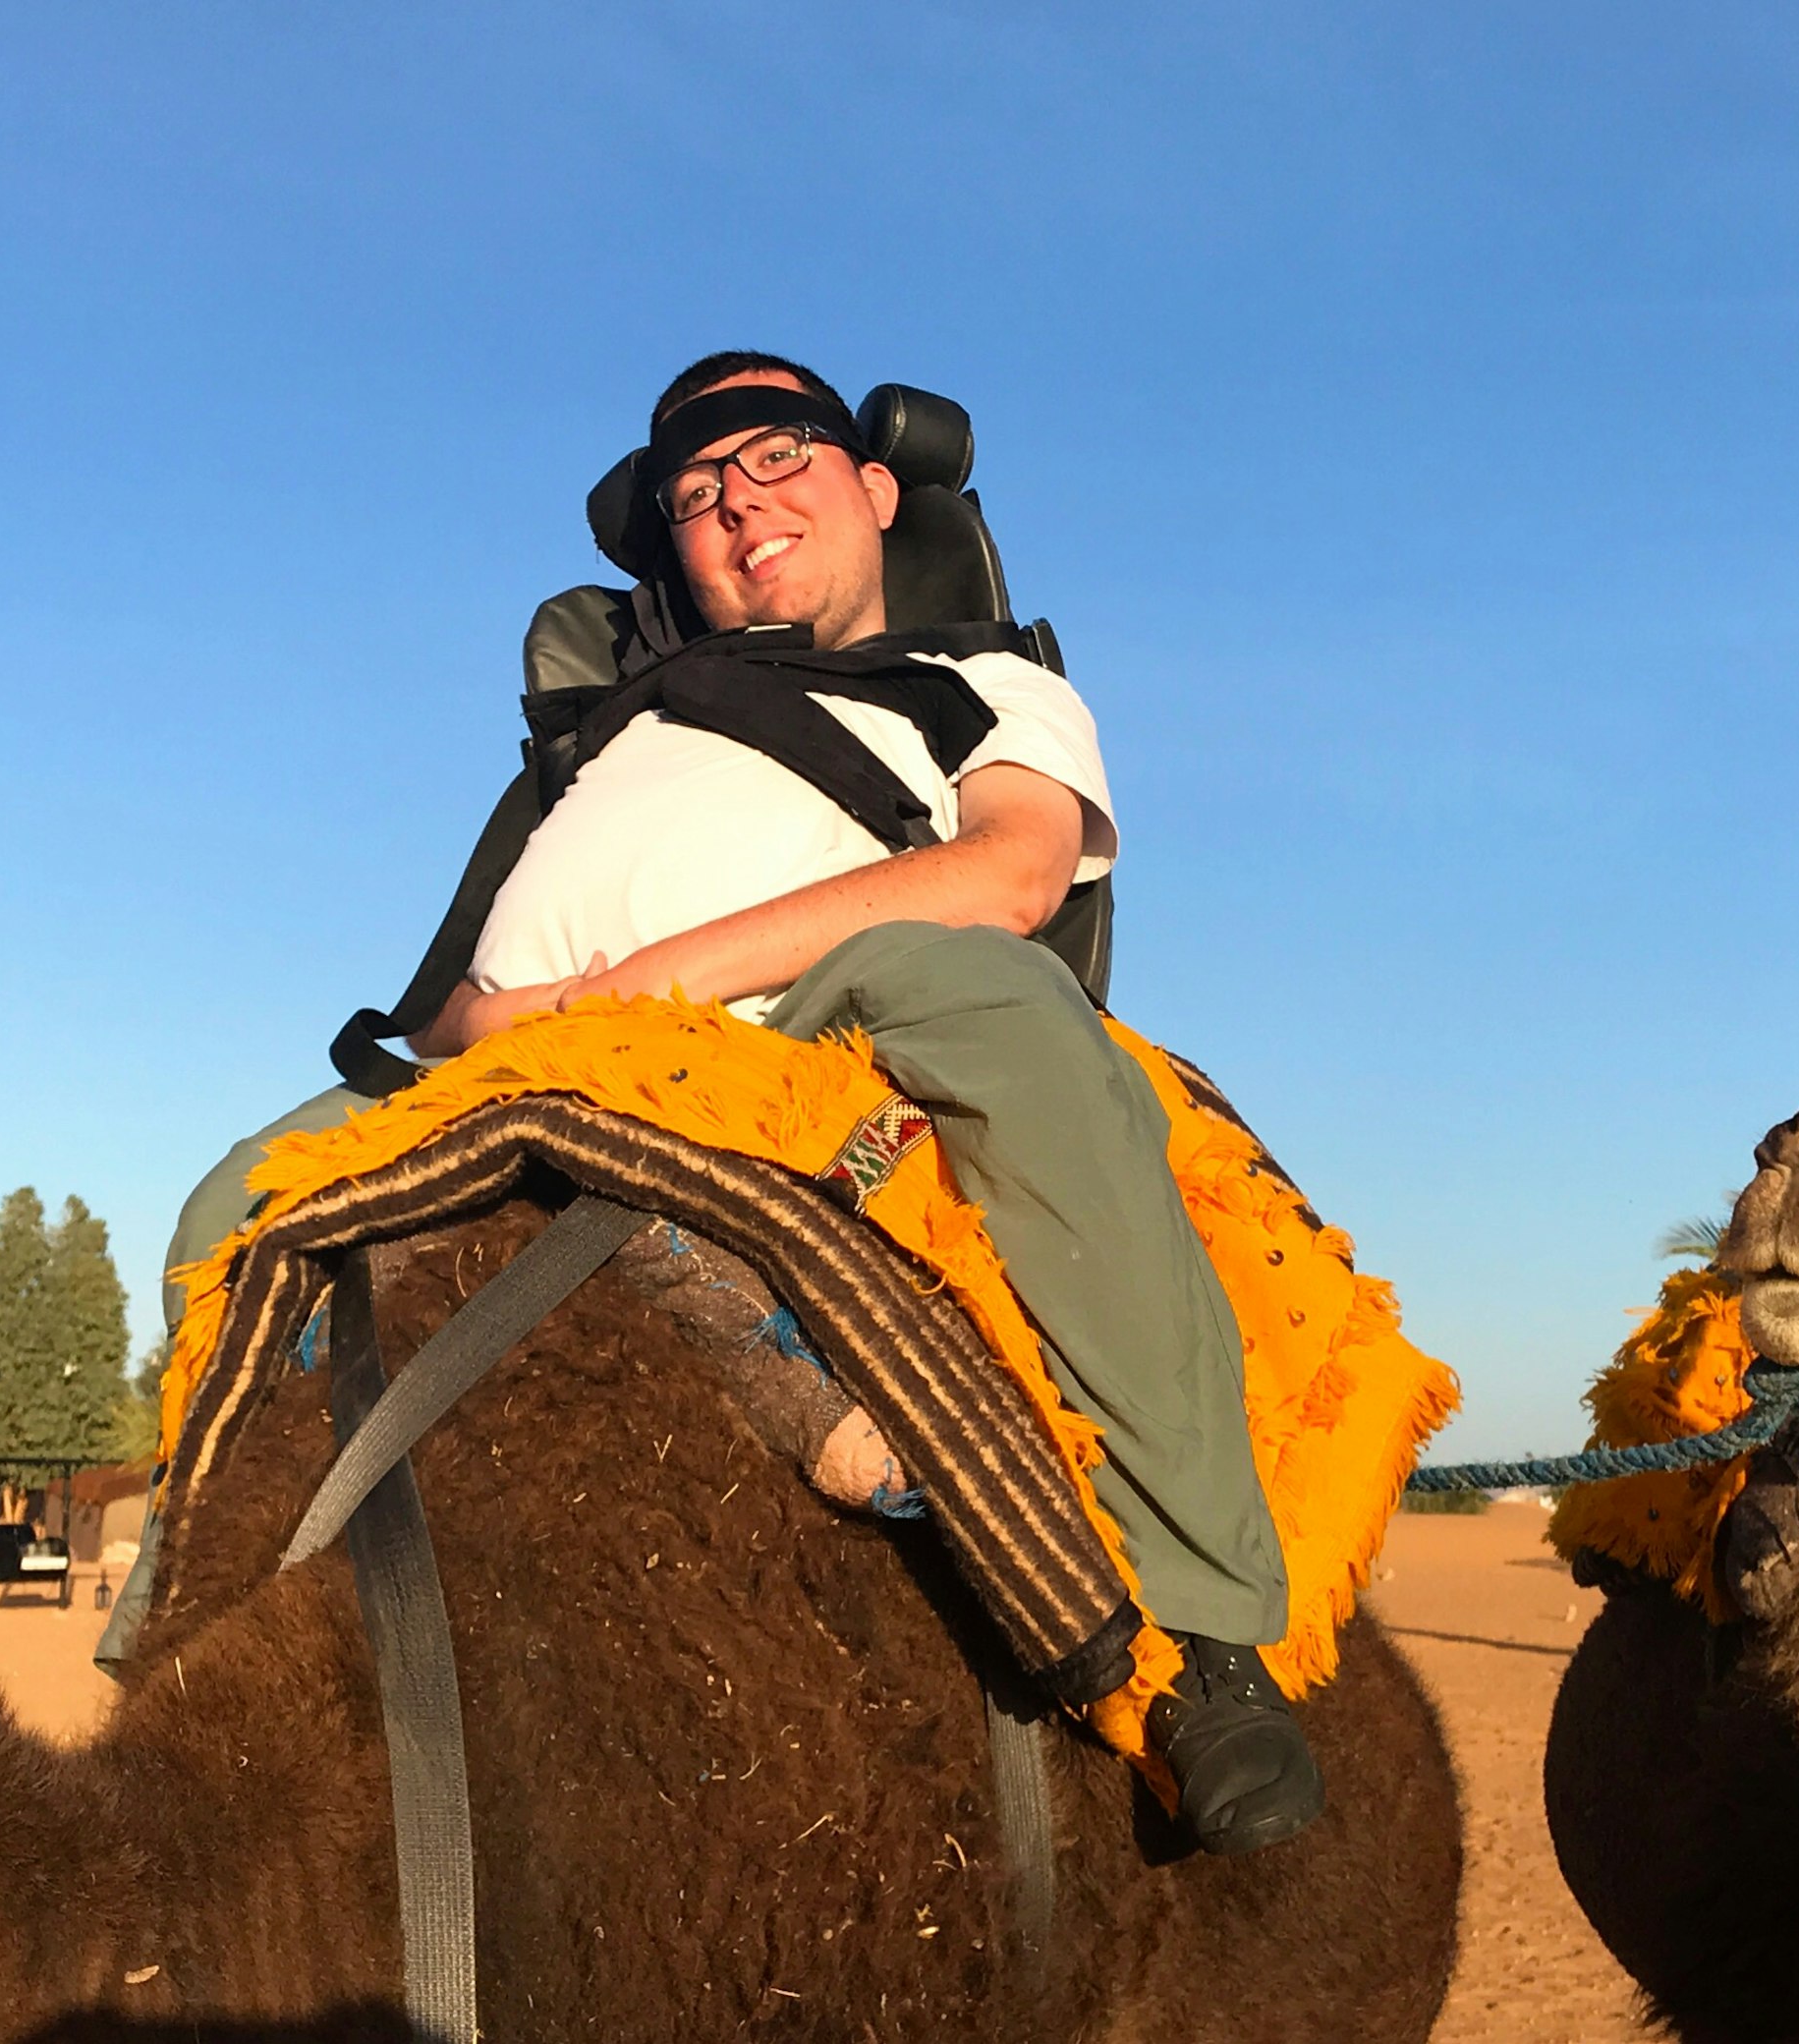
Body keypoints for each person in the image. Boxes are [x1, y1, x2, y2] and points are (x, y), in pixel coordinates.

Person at [155, 351, 1320, 1854]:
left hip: (811, 1026)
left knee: (1005, 1008)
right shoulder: (602, 741)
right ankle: (203, 1622)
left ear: (874, 491)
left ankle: (1204, 1640)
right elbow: (438, 1001)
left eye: (779, 461)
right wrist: (514, 1018)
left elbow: (1012, 876)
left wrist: (656, 981)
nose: (739, 506)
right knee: (225, 1200)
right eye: (699, 494)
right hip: (537, 1058)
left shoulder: (984, 686)